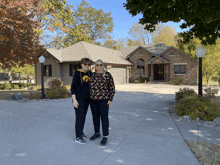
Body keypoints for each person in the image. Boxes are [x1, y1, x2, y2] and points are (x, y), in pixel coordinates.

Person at [89, 59, 115, 146]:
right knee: (95, 117)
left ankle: (105, 136)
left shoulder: (107, 75)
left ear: (103, 66)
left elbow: (112, 88)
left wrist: (110, 99)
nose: (99, 66)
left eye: (100, 65)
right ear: (95, 66)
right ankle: (97, 133)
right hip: (93, 100)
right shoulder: (92, 75)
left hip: (104, 100)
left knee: (104, 118)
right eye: (97, 65)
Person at [71, 58, 91, 144]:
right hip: (78, 99)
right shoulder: (77, 73)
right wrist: (74, 100)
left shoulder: (90, 73)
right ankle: (78, 137)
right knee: (79, 117)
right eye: (85, 64)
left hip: (87, 99)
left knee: (83, 116)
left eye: (88, 64)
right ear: (82, 64)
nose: (87, 66)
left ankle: (81, 132)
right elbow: (73, 88)